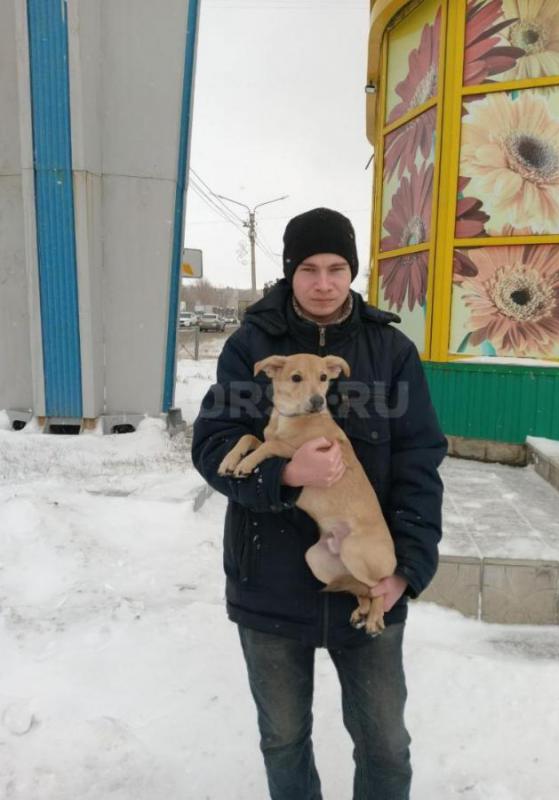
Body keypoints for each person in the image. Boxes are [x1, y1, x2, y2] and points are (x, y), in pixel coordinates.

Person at [192, 207, 447, 800]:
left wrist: (406, 571)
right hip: (270, 585)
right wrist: (283, 474)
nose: (325, 282)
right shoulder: (251, 346)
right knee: (283, 741)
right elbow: (212, 446)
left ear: (353, 272)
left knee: (385, 745)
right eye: (309, 268)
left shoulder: (391, 352)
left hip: (368, 582)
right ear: (290, 273)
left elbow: (419, 466)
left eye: (338, 268)